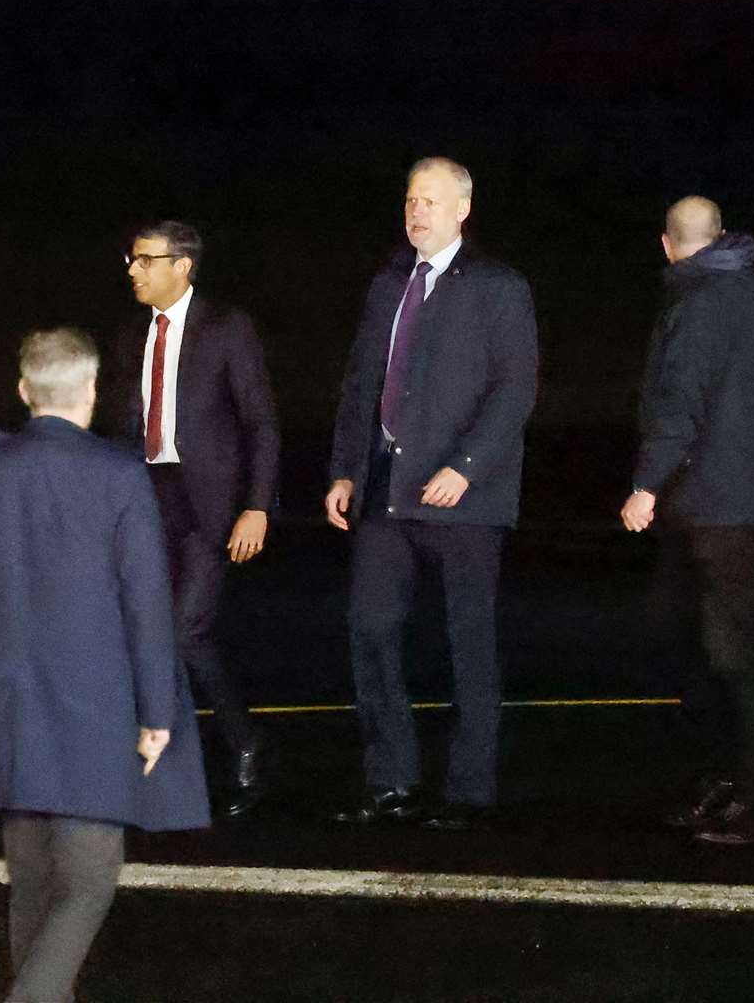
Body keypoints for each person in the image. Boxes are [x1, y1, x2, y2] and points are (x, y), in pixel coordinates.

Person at [0, 328, 210, 1003]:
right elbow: (145, 604)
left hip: (1, 701)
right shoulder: (117, 476)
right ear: (89, 391)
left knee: (32, 881)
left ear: (24, 392)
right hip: (93, 703)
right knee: (86, 882)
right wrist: (156, 712)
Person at [325, 157, 538, 832]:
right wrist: (346, 468)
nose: (417, 212)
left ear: (463, 210)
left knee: (465, 639)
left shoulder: (498, 287)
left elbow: (515, 389)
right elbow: (362, 381)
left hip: (464, 498)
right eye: (411, 199)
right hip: (389, 484)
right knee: (370, 625)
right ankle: (391, 781)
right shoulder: (390, 283)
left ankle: (469, 790)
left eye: (431, 202)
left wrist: (467, 467)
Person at [620, 196, 754, 846]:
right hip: (736, 500)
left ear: (667, 244)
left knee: (727, 651)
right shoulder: (751, 296)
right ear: (718, 238)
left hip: (717, 504)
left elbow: (680, 406)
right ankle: (725, 787)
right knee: (701, 645)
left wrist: (644, 486)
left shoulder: (697, 305)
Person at [106, 221, 280, 817]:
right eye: (131, 259)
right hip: (146, 495)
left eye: (145, 260)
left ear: (182, 266)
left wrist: (256, 507)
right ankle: (161, 759)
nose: (133, 269)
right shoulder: (132, 333)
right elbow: (119, 425)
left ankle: (247, 744)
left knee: (188, 631)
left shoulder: (226, 328)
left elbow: (260, 421)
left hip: (209, 503)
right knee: (142, 633)